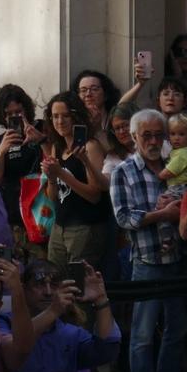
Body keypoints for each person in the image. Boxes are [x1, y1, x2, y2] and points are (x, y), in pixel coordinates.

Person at [111, 108, 187, 372]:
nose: (153, 140)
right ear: (133, 137)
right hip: (145, 261)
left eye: (159, 134)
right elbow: (123, 218)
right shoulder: (124, 171)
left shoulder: (175, 166)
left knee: (178, 327)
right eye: (146, 135)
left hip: (175, 258)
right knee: (143, 333)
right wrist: (163, 214)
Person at [40, 92, 112, 269]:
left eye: (65, 116)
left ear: (76, 116)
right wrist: (51, 177)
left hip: (85, 227)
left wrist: (62, 174)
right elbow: (52, 197)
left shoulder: (90, 147)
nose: (60, 121)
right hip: (60, 225)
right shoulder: (58, 147)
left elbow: (94, 195)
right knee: (56, 279)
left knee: (78, 283)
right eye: (55, 116)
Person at [0, 84, 44, 227]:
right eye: (9, 114)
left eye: (18, 112)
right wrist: (1, 154)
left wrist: (41, 140)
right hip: (13, 214)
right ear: (2, 116)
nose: (15, 117)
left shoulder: (43, 129)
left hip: (41, 211)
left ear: (26, 110)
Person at [161, 114, 187, 192]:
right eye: (173, 134)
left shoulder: (183, 154)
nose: (176, 138)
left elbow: (167, 173)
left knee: (164, 201)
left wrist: (157, 174)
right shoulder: (177, 151)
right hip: (178, 187)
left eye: (181, 134)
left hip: (182, 187)